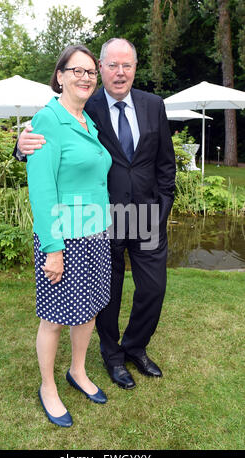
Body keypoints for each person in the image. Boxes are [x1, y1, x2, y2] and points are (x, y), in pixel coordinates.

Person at [15, 38, 176, 391]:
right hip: (103, 217)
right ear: (100, 69)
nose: (119, 73)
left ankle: (135, 347)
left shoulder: (153, 105)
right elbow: (46, 133)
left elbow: (166, 162)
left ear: (135, 68)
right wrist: (20, 146)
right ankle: (112, 357)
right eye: (111, 66)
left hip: (146, 216)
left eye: (127, 66)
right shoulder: (89, 102)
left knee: (153, 289)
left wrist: (163, 208)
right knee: (107, 293)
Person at [25, 44, 112, 428]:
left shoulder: (86, 121)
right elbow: (42, 191)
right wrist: (53, 248)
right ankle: (48, 386)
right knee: (54, 319)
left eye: (91, 72)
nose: (85, 77)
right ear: (59, 76)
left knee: (89, 309)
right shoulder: (48, 120)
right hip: (63, 238)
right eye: (76, 70)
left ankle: (77, 371)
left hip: (96, 232)